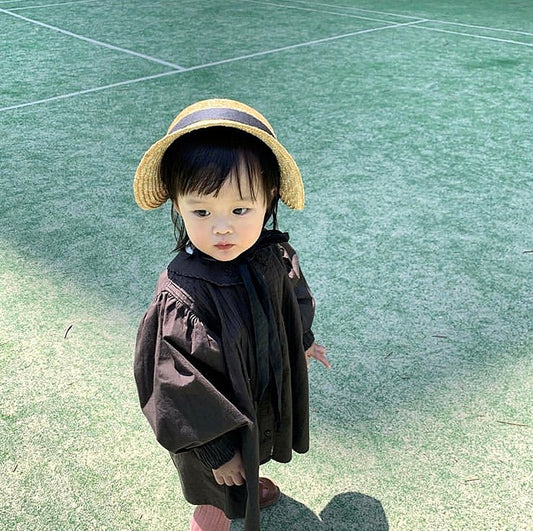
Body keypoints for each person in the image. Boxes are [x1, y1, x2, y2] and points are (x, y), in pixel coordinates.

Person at [133, 99, 329, 531]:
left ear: (269, 196)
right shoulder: (181, 295)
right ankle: (215, 511)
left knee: (250, 451)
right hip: (212, 433)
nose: (222, 227)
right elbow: (177, 388)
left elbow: (292, 299)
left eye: (240, 210)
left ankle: (247, 478)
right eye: (201, 211)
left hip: (254, 395)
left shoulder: (272, 255)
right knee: (218, 491)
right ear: (177, 205)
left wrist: (303, 340)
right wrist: (218, 452)